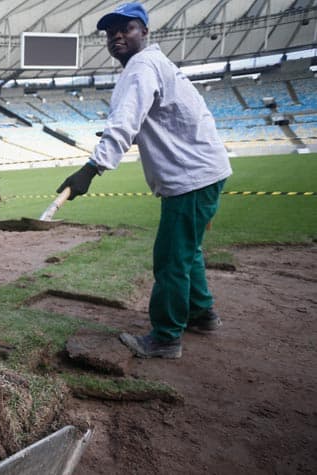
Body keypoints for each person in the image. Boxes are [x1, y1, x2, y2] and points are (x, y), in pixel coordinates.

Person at [56, 2, 232, 358]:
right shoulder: (154, 64)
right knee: (186, 251)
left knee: (170, 257)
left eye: (127, 28)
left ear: (145, 32)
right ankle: (202, 314)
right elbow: (140, 123)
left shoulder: (140, 67)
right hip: (201, 172)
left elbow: (124, 123)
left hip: (191, 177)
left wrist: (91, 169)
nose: (117, 36)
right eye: (110, 32)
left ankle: (166, 338)